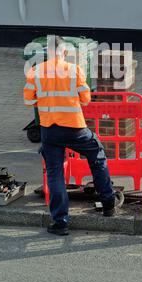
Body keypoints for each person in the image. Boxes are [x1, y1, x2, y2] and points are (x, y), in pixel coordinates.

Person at [24, 36, 117, 236]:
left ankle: (60, 222)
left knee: (54, 172)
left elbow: (28, 101)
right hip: (75, 128)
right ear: (65, 52)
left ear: (46, 53)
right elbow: (86, 100)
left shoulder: (35, 72)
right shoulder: (74, 70)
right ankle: (108, 203)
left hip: (49, 130)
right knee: (97, 154)